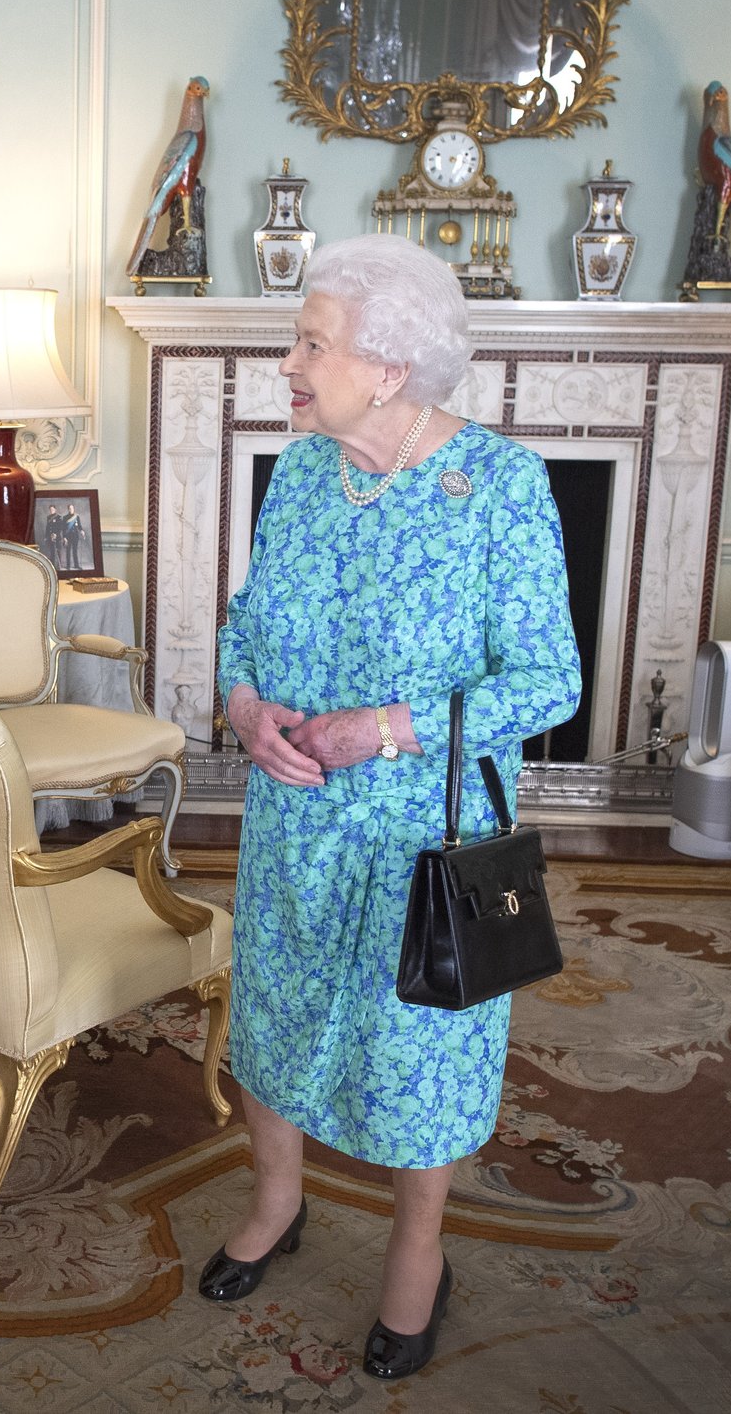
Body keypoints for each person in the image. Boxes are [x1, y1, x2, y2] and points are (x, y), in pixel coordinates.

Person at [205, 234, 581, 1380]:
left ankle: (418, 1248)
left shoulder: (498, 486)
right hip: (293, 817)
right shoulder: (301, 473)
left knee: (419, 1043)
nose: (286, 364)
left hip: (427, 834)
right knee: (273, 1011)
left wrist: (380, 727)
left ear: (388, 365)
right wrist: (242, 706)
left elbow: (549, 680)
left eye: (308, 344)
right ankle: (275, 1201)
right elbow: (244, 623)